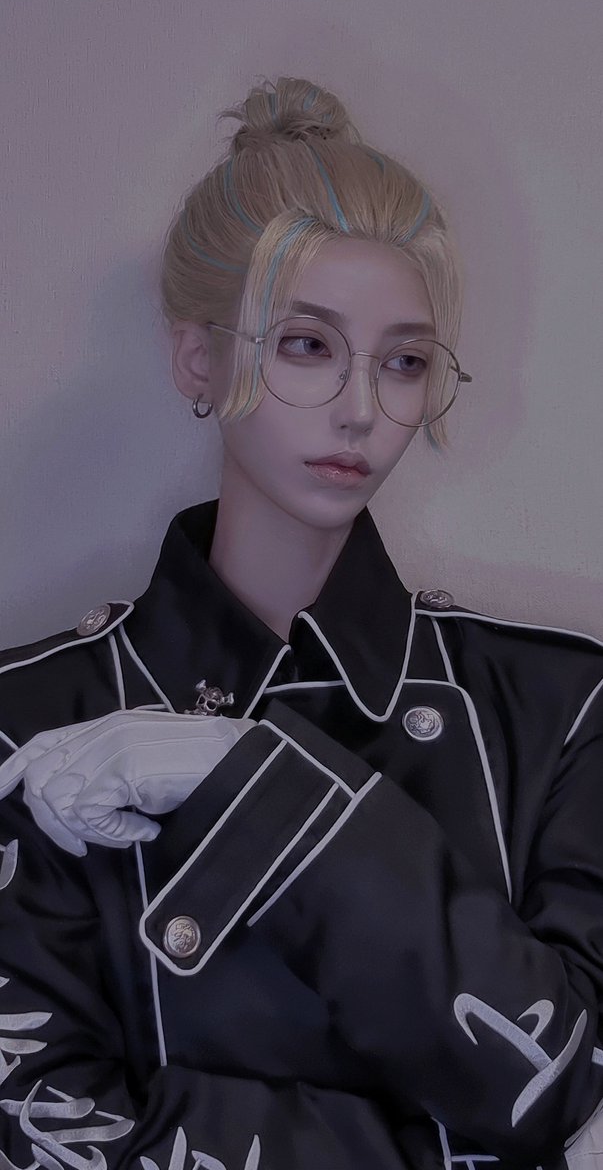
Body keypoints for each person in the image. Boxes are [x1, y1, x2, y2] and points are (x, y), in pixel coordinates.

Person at [0, 76, 602, 1170]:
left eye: (405, 361)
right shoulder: (29, 721)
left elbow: (555, 1080)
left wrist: (249, 780)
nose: (363, 409)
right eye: (307, 346)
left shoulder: (560, 710)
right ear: (199, 356)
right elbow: (47, 1128)